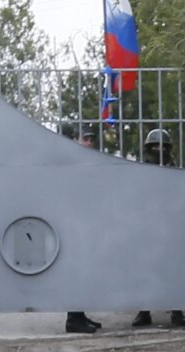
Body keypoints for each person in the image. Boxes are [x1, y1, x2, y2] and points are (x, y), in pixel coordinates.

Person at [131, 128, 185, 328]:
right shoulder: (142, 170)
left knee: (173, 268)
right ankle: (144, 310)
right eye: (155, 147)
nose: (159, 150)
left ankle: (176, 310)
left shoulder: (174, 169)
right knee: (145, 268)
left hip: (170, 223)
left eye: (162, 147)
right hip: (148, 224)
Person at [65, 129, 103, 334]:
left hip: (86, 222)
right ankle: (73, 318)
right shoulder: (72, 163)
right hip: (73, 223)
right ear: (76, 141)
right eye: (85, 139)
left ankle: (79, 314)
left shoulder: (90, 163)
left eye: (91, 139)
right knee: (75, 271)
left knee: (83, 271)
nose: (89, 142)